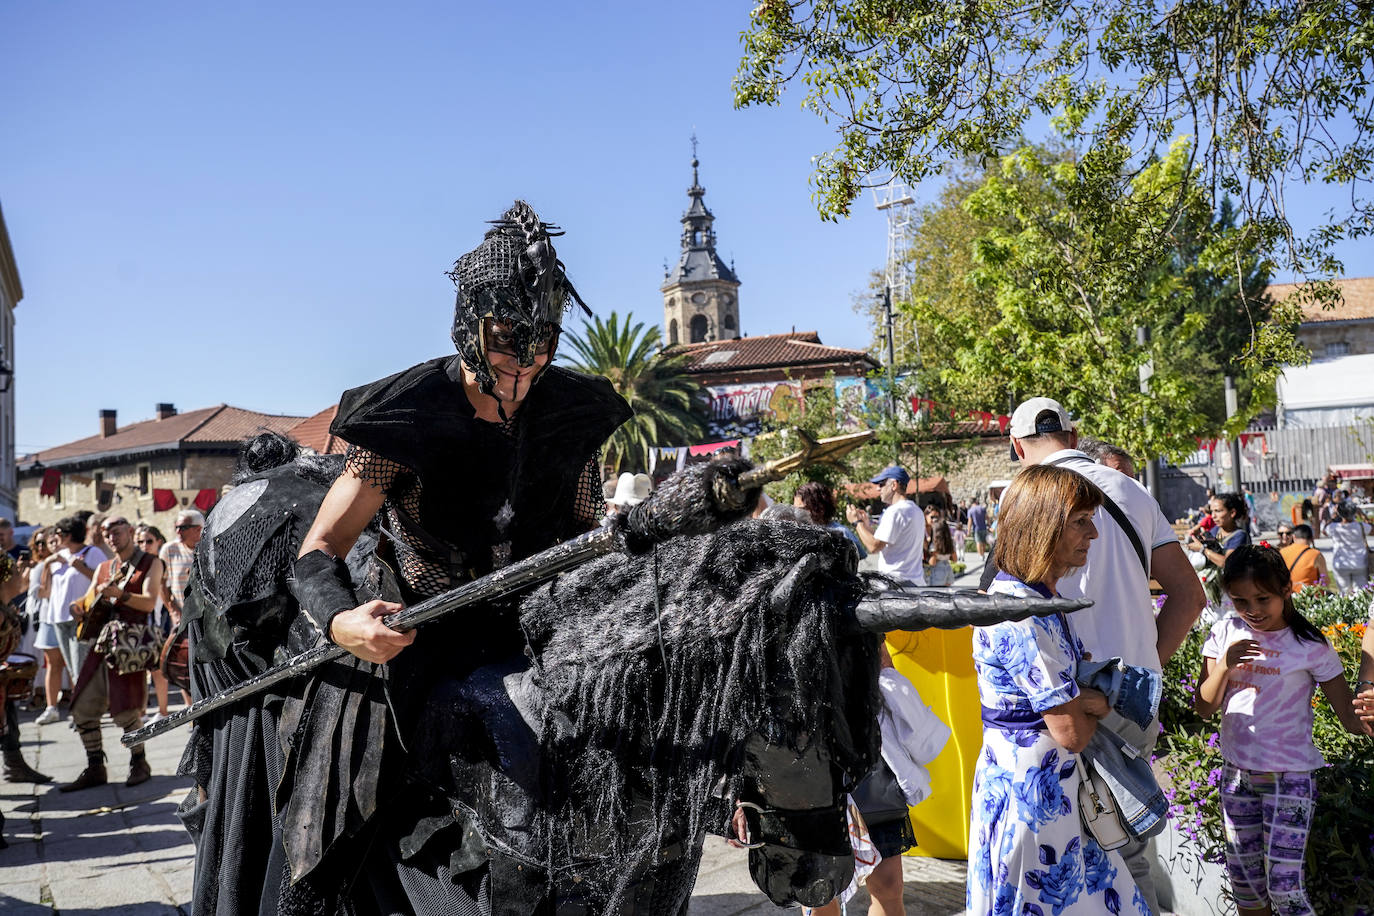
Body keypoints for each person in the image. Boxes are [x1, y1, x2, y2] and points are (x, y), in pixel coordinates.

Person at [184, 201, 634, 913]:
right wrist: (344, 626)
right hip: (418, 637)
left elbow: (586, 535)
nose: (527, 359)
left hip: (540, 636)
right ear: (472, 325)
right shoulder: (407, 414)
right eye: (509, 337)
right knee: (341, 799)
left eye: (544, 338)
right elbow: (317, 552)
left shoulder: (576, 413)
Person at [979, 396, 1205, 915]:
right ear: (1074, 437)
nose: (1091, 533)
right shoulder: (1129, 488)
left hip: (1051, 716)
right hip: (1098, 709)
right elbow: (1190, 597)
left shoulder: (1018, 497)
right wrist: (1135, 678)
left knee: (1074, 870)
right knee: (1126, 857)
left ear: (1016, 447)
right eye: (1082, 524)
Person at [968, 464, 1146, 915]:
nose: (1094, 535)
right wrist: (1092, 701)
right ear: (1044, 525)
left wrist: (1078, 698)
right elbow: (1072, 732)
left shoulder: (1038, 601)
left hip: (1044, 787)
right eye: (1081, 522)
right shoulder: (1023, 613)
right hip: (1035, 797)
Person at [1194, 545, 1371, 916]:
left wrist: (1368, 711)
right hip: (1236, 776)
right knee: (1247, 890)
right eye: (1240, 601)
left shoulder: (1310, 645)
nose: (1253, 610)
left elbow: (1350, 720)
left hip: (1289, 778)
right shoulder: (1224, 630)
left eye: (1263, 598)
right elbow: (1204, 706)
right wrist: (1225, 665)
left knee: (1284, 891)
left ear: (1286, 590)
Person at [60, 516, 164, 791]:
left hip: (130, 645)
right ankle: (95, 766)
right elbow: (88, 599)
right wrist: (76, 607)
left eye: (116, 533)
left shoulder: (151, 562)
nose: (111, 538)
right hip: (102, 643)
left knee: (126, 709)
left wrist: (122, 595)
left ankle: (139, 762)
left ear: (130, 532)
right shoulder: (105, 567)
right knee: (82, 706)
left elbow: (150, 601)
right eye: (107, 534)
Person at [33, 517, 101, 724]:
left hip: (81, 618)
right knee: (71, 667)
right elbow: (45, 592)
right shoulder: (57, 556)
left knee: (80, 667)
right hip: (57, 618)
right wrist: (47, 564)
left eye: (59, 534)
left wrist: (78, 566)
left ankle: (84, 712)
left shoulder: (92, 553)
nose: (55, 538)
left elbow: (101, 581)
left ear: (68, 535)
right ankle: (78, 710)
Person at [1, 554, 50, 784]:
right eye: (18, 572)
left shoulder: (5, 606)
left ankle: (14, 764)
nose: (23, 575)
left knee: (9, 720)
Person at [846, 466, 926, 587]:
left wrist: (857, 523)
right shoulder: (916, 510)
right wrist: (866, 526)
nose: (878, 489)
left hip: (897, 585)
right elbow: (888, 542)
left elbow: (874, 546)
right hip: (915, 583)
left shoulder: (895, 511)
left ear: (894, 485)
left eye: (881, 484)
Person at [793, 481, 866, 558]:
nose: (795, 513)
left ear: (819, 508)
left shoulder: (842, 534)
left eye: (801, 509)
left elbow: (859, 556)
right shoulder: (796, 534)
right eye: (794, 508)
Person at [1188, 492, 1250, 567]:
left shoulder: (1240, 535)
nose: (1213, 516)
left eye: (1218, 511)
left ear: (1232, 513)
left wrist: (1202, 549)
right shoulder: (1216, 530)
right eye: (1212, 511)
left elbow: (1227, 563)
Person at [1326, 502, 1371, 594]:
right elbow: (1372, 529)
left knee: (1344, 593)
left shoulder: (1333, 527)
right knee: (1361, 594)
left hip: (1340, 564)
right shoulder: (1361, 526)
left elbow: (1324, 530)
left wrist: (1334, 516)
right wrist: (1363, 515)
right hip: (1360, 563)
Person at [1278, 524, 1327, 592]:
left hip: (1288, 594)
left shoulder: (1282, 552)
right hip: (1308, 596)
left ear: (1294, 537)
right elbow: (1325, 580)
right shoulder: (1316, 554)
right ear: (1311, 538)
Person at [923, 502, 957, 587]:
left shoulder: (937, 533)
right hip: (946, 570)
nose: (934, 520)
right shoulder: (922, 530)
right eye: (932, 517)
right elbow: (954, 558)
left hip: (935, 572)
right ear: (925, 516)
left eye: (937, 517)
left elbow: (932, 562)